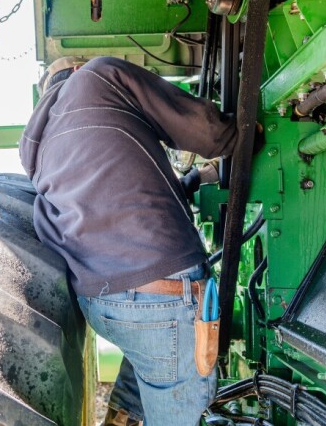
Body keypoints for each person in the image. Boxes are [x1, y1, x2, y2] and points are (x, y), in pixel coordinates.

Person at [20, 56, 238, 426]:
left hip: (101, 302)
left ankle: (125, 416)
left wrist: (197, 179)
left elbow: (118, 198)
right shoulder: (99, 75)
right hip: (161, 295)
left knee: (149, 356)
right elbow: (211, 134)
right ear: (78, 70)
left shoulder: (33, 142)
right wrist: (250, 134)